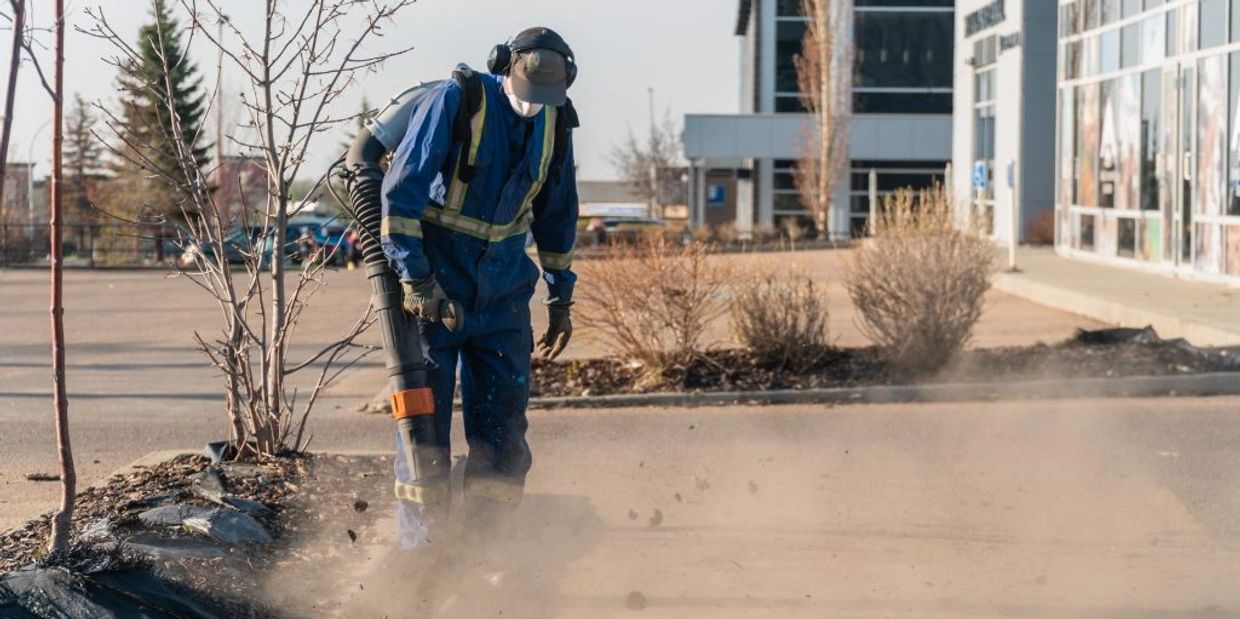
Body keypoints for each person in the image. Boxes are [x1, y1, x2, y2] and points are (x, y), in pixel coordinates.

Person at [380, 27, 579, 553]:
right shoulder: (456, 101)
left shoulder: (556, 121)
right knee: (423, 432)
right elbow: (400, 197)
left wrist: (560, 295)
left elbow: (558, 215)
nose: (532, 106)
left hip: (504, 297)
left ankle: (485, 549)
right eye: (527, 93)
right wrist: (415, 278)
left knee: (503, 431)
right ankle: (422, 551)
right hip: (437, 292)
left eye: (545, 98)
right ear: (502, 67)